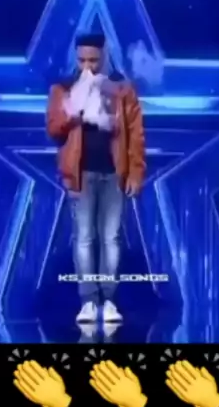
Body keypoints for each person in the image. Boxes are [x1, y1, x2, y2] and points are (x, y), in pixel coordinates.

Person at [46, 32, 145, 323]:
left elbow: (136, 134)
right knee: (84, 239)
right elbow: (54, 129)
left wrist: (136, 172)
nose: (88, 66)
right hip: (81, 175)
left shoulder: (122, 89)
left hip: (115, 173)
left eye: (94, 60)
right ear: (75, 58)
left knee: (111, 238)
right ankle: (88, 301)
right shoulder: (63, 89)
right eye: (82, 60)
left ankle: (109, 301)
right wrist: (74, 110)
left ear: (104, 57)